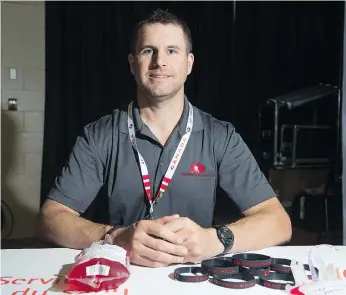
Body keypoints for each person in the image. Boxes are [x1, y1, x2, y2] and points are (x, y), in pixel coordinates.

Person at [36, 8, 292, 268]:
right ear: (132, 64)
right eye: (149, 50)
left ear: (189, 63)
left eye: (172, 50)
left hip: (192, 277)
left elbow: (278, 221)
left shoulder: (220, 136)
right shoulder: (99, 135)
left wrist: (216, 239)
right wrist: (114, 236)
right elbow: (51, 218)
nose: (160, 61)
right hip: (121, 275)